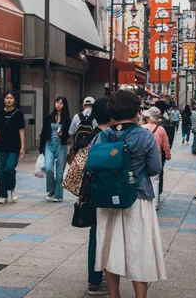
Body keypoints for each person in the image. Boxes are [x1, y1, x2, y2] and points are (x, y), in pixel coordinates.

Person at [93, 90, 166, 298]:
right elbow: (154, 168)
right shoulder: (145, 135)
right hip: (138, 197)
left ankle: (114, 296)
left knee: (110, 248)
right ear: (136, 111)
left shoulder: (102, 135)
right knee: (139, 249)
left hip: (107, 198)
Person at [85, 97, 110, 296]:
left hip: (93, 191)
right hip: (100, 192)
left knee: (96, 234)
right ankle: (94, 280)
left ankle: (96, 276)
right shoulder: (104, 137)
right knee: (97, 234)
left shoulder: (93, 134)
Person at [0, 91, 26, 204]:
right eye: (7, 98)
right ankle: (3, 195)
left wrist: (22, 147)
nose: (9, 100)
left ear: (14, 100)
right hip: (1, 146)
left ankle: (13, 187)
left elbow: (21, 131)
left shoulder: (19, 114)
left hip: (14, 146)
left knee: (9, 168)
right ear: (4, 100)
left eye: (11, 98)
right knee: (0, 171)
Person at [39, 96, 71, 203]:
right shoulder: (49, 117)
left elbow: (69, 135)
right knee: (48, 168)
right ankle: (52, 189)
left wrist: (63, 135)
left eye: (61, 103)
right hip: (49, 144)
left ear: (64, 106)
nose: (58, 105)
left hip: (61, 146)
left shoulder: (67, 119)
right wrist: (41, 147)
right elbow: (44, 132)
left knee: (60, 173)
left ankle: (58, 195)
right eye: (57, 102)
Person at [141, 106, 171, 209]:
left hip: (142, 158)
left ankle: (143, 203)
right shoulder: (161, 129)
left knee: (142, 179)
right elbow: (166, 145)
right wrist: (168, 155)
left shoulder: (142, 128)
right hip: (156, 158)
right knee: (155, 181)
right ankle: (155, 204)